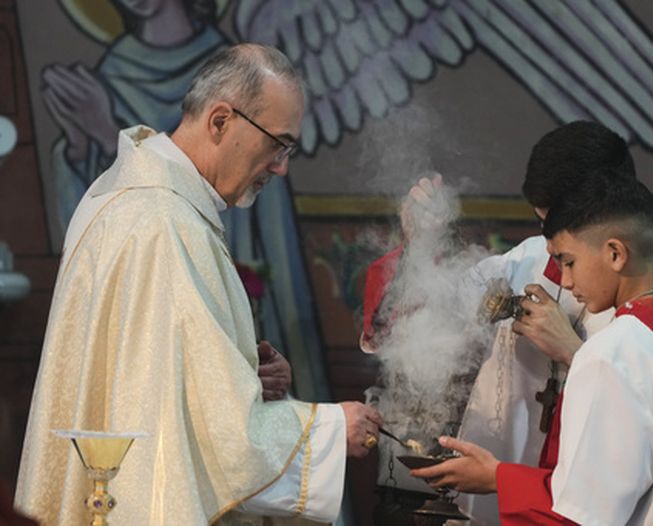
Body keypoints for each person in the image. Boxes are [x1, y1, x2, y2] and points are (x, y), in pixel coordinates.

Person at [16, 43, 382, 525]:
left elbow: (153, 387)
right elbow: (214, 436)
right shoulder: (165, 223)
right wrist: (331, 430)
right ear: (220, 121)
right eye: (279, 143)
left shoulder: (128, 196)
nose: (281, 167)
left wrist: (243, 375)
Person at [362, 121, 653, 524]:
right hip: (514, 502)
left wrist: (575, 352)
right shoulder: (526, 262)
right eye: (542, 223)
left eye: (561, 233)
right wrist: (421, 245)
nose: (555, 256)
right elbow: (417, 322)